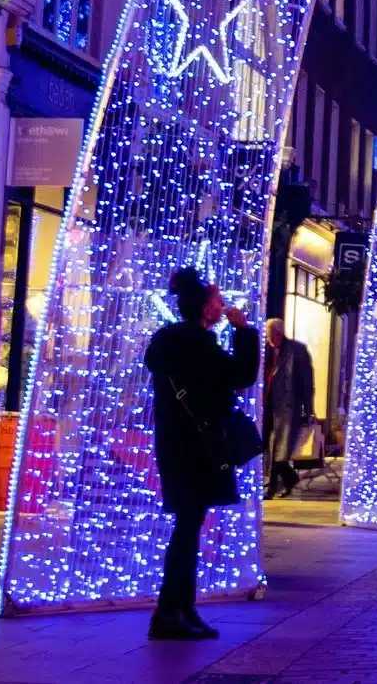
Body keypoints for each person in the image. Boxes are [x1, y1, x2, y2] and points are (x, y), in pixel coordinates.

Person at [144, 266, 260, 641]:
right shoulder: (198, 343)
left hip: (176, 444)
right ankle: (169, 613)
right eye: (217, 300)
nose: (222, 304)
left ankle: (182, 608)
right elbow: (241, 375)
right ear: (205, 307)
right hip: (197, 446)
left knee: (189, 525)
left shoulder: (169, 341)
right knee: (187, 530)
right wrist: (243, 331)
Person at [261, 316, 315, 497]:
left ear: (279, 333)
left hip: (287, 407)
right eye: (267, 336)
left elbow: (307, 382)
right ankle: (289, 478)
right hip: (267, 405)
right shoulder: (265, 350)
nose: (269, 339)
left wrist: (308, 409)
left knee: (278, 447)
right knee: (268, 447)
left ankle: (272, 487)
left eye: (272, 335)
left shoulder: (297, 350)